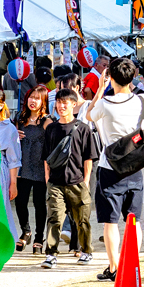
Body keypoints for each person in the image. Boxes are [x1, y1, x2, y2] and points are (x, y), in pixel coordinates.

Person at [87, 57, 144, 282]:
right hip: (135, 166)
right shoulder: (142, 100)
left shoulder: (105, 104)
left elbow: (88, 116)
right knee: (134, 220)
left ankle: (114, 267)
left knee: (111, 222)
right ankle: (131, 264)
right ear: (133, 77)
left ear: (111, 77)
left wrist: (100, 89)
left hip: (110, 166)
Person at [41, 88, 99, 267]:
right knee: (54, 218)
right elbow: (46, 157)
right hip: (55, 183)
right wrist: (47, 179)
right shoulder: (50, 128)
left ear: (74, 104)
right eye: (58, 102)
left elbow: (88, 158)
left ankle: (86, 251)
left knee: (82, 220)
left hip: (77, 182)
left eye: (65, 102)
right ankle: (51, 254)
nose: (61, 106)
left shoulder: (83, 129)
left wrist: (86, 181)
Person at [14, 85, 51, 254]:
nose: (33, 101)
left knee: (39, 204)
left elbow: (52, 145)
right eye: (31, 97)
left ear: (43, 101)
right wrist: (14, 134)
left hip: (40, 168)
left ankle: (38, 237)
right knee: (20, 202)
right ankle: (26, 231)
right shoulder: (19, 119)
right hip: (23, 167)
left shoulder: (47, 122)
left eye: (37, 98)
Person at [0, 88, 22, 243]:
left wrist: (13, 183)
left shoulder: (8, 128)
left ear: (1, 105)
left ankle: (3, 240)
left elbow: (13, 158)